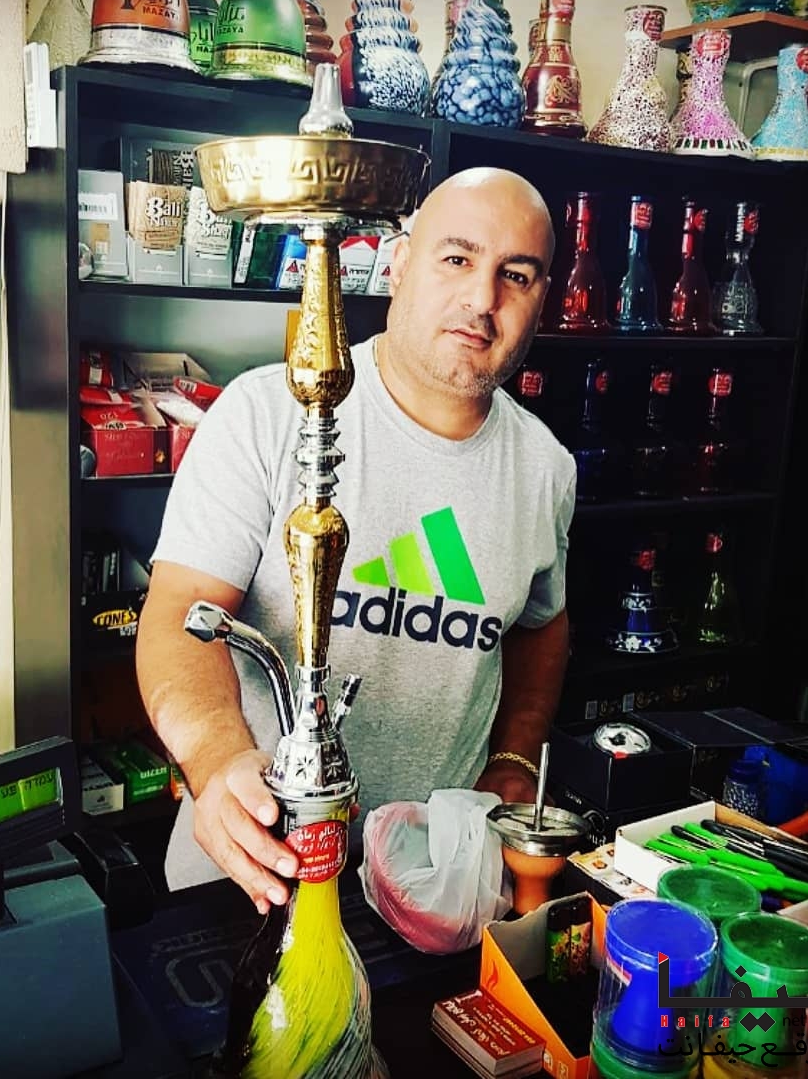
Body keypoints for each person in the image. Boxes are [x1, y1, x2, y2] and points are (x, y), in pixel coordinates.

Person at [136, 167, 576, 915]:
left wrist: (513, 757)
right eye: (457, 258)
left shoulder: (546, 468)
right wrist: (215, 759)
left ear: (542, 297)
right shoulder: (266, 414)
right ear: (398, 264)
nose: (482, 299)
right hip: (257, 869)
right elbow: (182, 612)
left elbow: (543, 625)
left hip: (435, 888)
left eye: (517, 275)